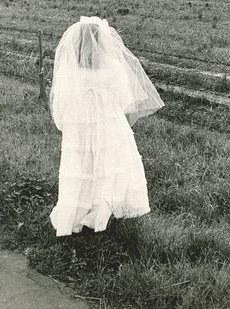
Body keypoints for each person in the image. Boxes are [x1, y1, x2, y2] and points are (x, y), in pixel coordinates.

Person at [49, 16, 164, 237]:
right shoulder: (112, 67)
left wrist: (68, 119)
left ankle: (80, 210)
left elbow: (60, 101)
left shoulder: (69, 70)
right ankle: (105, 208)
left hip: (79, 123)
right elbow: (125, 99)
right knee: (108, 163)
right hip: (108, 122)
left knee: (82, 164)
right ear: (102, 42)